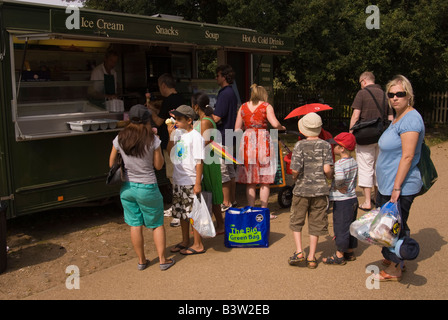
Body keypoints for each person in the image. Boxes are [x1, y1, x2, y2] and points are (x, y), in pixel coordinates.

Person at [108, 104, 175, 271]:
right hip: (147, 187)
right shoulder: (153, 140)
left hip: (127, 188)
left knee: (135, 224)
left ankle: (141, 260)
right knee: (157, 224)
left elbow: (111, 163)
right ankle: (162, 260)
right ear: (147, 121)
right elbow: (159, 166)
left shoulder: (120, 138)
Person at [374, 75, 424, 281]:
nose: (395, 98)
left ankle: (396, 267)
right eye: (391, 94)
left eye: (399, 94)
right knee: (389, 224)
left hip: (400, 186)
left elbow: (408, 155)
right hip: (388, 184)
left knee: (394, 227)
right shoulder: (399, 117)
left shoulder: (411, 119)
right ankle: (393, 256)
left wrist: (396, 187)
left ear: (408, 95)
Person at [288, 113, 333, 269]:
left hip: (301, 190)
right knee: (316, 222)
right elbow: (327, 169)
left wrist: (295, 178)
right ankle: (312, 257)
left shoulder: (299, 145)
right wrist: (329, 177)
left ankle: (300, 252)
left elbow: (294, 169)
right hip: (320, 191)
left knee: (297, 221)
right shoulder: (326, 145)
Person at [234, 84, 285, 218]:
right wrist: (281, 127)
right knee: (264, 179)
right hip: (263, 140)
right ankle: (263, 210)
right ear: (263, 94)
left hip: (247, 141)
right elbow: (274, 124)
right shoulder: (266, 106)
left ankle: (251, 208)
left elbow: (237, 129)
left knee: (250, 180)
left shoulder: (243, 107)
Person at [349, 71, 393, 211]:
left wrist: (350, 133)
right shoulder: (386, 95)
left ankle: (367, 201)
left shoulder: (361, 94)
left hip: (364, 137)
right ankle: (377, 197)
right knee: (378, 167)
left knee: (365, 166)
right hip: (382, 136)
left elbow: (356, 115)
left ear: (364, 81)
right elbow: (391, 117)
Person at [167, 105, 206, 255]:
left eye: (179, 119)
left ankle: (198, 243)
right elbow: (170, 151)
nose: (175, 122)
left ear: (189, 120)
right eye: (175, 119)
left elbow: (199, 162)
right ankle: (185, 240)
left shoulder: (196, 137)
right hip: (179, 179)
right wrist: (171, 136)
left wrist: (197, 183)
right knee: (182, 213)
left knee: (193, 213)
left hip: (190, 180)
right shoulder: (178, 134)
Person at [149, 73, 184, 225]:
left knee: (173, 176)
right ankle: (176, 206)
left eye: (159, 86)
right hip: (181, 141)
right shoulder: (181, 99)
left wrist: (149, 111)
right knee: (178, 174)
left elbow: (158, 121)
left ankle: (178, 208)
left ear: (164, 85)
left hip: (170, 143)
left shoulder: (168, 101)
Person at [192, 92, 225, 234]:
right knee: (207, 192)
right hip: (205, 159)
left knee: (211, 191)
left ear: (195, 107)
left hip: (208, 161)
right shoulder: (202, 120)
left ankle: (221, 225)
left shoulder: (205, 121)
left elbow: (203, 142)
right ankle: (211, 224)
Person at [323, 132, 358, 265]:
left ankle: (339, 255)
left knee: (341, 226)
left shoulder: (339, 164)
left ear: (342, 148)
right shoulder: (353, 162)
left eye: (335, 146)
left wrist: (339, 186)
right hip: (353, 198)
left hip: (342, 200)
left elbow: (340, 178)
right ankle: (349, 250)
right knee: (351, 225)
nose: (333, 148)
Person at [213, 64, 238, 211]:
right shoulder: (232, 92)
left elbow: (216, 117)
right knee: (230, 171)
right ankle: (232, 200)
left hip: (221, 136)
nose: (216, 78)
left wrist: (205, 117)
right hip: (229, 136)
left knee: (223, 172)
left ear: (223, 76)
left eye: (217, 75)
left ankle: (226, 202)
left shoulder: (224, 93)